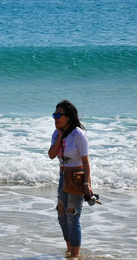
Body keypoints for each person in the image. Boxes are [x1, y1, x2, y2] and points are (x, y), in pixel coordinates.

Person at [48, 100, 93, 257]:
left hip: (77, 177)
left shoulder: (78, 135)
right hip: (63, 176)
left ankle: (75, 254)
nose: (56, 118)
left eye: (59, 115)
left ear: (68, 117)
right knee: (61, 215)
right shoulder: (56, 133)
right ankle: (70, 251)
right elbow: (51, 155)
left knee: (73, 216)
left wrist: (87, 184)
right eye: (54, 114)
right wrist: (59, 137)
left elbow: (86, 162)